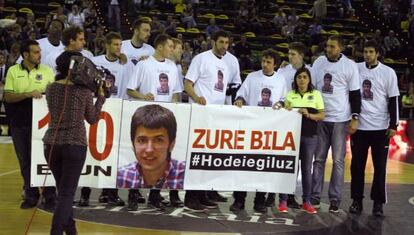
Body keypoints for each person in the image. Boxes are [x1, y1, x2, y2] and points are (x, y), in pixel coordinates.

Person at [43, 50, 106, 235]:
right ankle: (55, 231)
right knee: (66, 193)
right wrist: (100, 98)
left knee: (63, 191)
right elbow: (93, 119)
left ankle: (71, 230)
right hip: (75, 145)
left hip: (51, 144)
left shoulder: (51, 87)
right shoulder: (83, 91)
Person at [184, 30, 241, 211]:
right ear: (213, 41)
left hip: (216, 115)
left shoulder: (227, 63)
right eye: (221, 42)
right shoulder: (201, 58)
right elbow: (187, 83)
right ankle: (190, 197)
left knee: (208, 157)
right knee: (196, 156)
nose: (225, 46)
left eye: (227, 43)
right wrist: (197, 97)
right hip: (200, 114)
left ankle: (203, 194)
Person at [127, 34, 182, 210]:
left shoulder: (172, 66)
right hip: (146, 118)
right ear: (159, 47)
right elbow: (130, 90)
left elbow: (175, 92)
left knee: (163, 158)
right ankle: (133, 196)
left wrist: (173, 104)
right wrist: (143, 96)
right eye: (170, 46)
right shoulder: (144, 64)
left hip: (164, 119)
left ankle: (155, 195)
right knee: (140, 158)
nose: (172, 50)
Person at [231, 49, 287, 213]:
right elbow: (241, 95)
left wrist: (281, 104)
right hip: (251, 127)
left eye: (269, 62)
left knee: (264, 165)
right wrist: (240, 100)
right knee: (244, 164)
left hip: (270, 129)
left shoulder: (281, 79)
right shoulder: (252, 77)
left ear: (275, 64)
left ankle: (259, 201)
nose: (265, 64)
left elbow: (285, 99)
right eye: (263, 61)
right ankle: (239, 200)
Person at [310, 35, 361, 213]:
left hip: (340, 119)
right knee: (319, 160)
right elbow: (312, 88)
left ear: (340, 48)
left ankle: (335, 199)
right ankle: (314, 196)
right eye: (327, 46)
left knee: (338, 161)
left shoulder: (349, 65)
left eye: (332, 47)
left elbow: (355, 94)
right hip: (321, 118)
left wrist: (355, 117)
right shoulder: (318, 63)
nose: (328, 49)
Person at [349, 40, 400, 217]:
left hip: (380, 128)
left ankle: (378, 204)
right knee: (356, 167)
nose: (367, 55)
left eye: (371, 52)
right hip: (360, 127)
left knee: (380, 168)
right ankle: (356, 201)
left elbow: (394, 99)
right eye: (365, 51)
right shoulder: (355, 68)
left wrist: (394, 124)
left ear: (378, 53)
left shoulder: (388, 72)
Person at [3, 40, 56, 209]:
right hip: (19, 123)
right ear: (25, 55)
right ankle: (31, 194)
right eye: (35, 52)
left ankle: (50, 193)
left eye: (39, 52)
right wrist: (27, 94)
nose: (39, 55)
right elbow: (8, 97)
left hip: (43, 125)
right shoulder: (13, 71)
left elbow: (55, 93)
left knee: (46, 159)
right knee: (25, 160)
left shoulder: (47, 71)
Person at [279, 67, 325, 214]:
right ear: (295, 79)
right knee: (289, 168)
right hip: (291, 137)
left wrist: (309, 115)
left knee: (306, 170)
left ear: (309, 79)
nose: (302, 80)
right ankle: (283, 200)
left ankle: (307, 201)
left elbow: (322, 115)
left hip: (310, 137)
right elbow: (283, 113)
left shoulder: (316, 94)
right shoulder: (290, 95)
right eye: (299, 77)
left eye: (305, 77)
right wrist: (282, 108)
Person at [117, 104, 185, 188]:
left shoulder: (187, 175)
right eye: (142, 140)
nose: (149, 150)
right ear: (132, 144)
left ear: (172, 144)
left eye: (158, 140)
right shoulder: (119, 177)